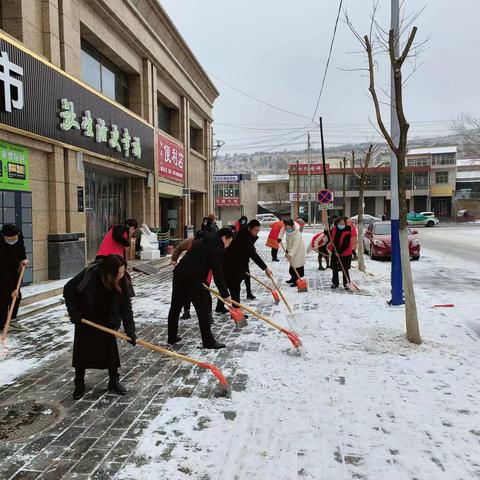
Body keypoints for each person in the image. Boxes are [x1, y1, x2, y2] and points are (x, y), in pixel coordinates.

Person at [63, 255, 137, 400]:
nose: (122, 275)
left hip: (108, 318)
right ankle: (79, 383)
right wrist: (74, 313)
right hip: (86, 317)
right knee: (82, 352)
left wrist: (131, 331)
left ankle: (114, 381)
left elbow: (125, 307)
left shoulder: (122, 280)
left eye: (123, 272)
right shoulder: (91, 274)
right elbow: (68, 290)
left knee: (110, 350)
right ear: (109, 272)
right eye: (119, 273)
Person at [167, 228, 233, 349]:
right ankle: (208, 341)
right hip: (193, 278)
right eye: (229, 242)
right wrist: (225, 294)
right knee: (203, 309)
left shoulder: (205, 240)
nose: (227, 246)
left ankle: (171, 336)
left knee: (175, 306)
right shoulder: (217, 247)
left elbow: (199, 261)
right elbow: (218, 275)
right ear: (224, 238)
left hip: (180, 273)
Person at [219, 220, 272, 313]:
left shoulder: (246, 234)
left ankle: (220, 307)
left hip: (237, 264)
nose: (256, 233)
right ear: (249, 229)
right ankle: (237, 312)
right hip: (232, 265)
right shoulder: (244, 239)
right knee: (235, 288)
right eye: (255, 231)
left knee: (227, 285)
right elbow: (253, 255)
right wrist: (265, 268)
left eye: (258, 231)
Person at [0, 224, 28, 333]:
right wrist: (12, 288)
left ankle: (12, 320)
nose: (12, 241)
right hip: (2, 270)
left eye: (14, 239)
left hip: (13, 267)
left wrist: (23, 258)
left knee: (17, 296)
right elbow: (3, 270)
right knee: (3, 297)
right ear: (3, 236)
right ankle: (2, 325)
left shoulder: (19, 236)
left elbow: (21, 247)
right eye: (9, 239)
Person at [329, 217, 353, 290]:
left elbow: (346, 244)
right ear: (337, 223)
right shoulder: (334, 229)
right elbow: (328, 235)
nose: (341, 224)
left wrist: (339, 252)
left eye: (343, 223)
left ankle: (346, 283)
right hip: (335, 251)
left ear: (345, 223)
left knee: (344, 268)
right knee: (334, 268)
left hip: (345, 253)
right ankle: (335, 283)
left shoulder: (347, 231)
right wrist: (326, 229)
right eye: (340, 223)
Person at [280, 219, 306, 287]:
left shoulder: (297, 234)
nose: (288, 229)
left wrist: (290, 254)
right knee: (292, 266)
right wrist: (279, 238)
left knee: (297, 266)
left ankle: (297, 280)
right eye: (287, 228)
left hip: (298, 251)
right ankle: (292, 278)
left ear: (293, 226)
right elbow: (282, 230)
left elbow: (296, 246)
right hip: (290, 248)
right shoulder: (286, 227)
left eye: (289, 228)